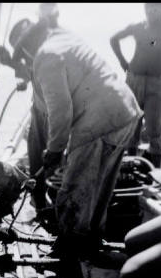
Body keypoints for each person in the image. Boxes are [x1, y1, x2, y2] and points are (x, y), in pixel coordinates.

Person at [30, 19, 142, 258]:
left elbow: (61, 110)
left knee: (75, 188)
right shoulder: (67, 40)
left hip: (98, 120)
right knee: (101, 186)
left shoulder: (45, 56)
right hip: (125, 112)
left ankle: (70, 251)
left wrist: (54, 151)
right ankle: (90, 242)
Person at [0, 4, 61, 213]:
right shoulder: (29, 54)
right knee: (35, 156)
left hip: (57, 110)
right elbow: (27, 73)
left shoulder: (52, 43)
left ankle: (56, 202)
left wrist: (11, 61)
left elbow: (36, 67)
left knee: (55, 158)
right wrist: (11, 64)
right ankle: (40, 203)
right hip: (39, 110)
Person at [110, 3, 161, 168]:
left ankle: (156, 177)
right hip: (134, 81)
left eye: (157, 8)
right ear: (145, 9)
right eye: (150, 7)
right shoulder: (138, 27)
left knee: (155, 132)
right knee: (132, 127)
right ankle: (130, 168)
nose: (153, 11)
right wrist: (122, 61)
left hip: (156, 84)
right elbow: (114, 39)